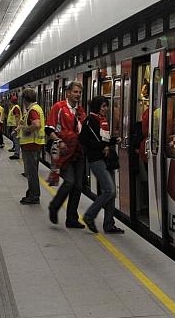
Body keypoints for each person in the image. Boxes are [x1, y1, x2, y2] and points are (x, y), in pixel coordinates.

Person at [79, 96, 124, 234]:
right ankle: (89, 216)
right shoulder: (90, 120)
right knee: (109, 190)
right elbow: (84, 140)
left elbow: (102, 140)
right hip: (96, 160)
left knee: (112, 192)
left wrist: (112, 141)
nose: (106, 109)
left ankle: (109, 224)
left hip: (106, 160)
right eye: (103, 106)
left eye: (106, 106)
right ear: (97, 107)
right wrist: (104, 146)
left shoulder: (102, 120)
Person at [45, 81, 86, 228]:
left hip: (78, 152)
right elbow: (49, 129)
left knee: (78, 186)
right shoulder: (59, 107)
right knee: (69, 181)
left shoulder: (80, 111)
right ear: (68, 93)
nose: (78, 95)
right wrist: (59, 141)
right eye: (75, 92)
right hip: (64, 152)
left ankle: (72, 219)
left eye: (79, 92)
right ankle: (54, 206)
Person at [18, 88, 46, 205]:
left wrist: (26, 130)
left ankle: (34, 196)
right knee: (32, 171)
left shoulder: (33, 110)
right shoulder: (37, 108)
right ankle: (31, 193)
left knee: (31, 173)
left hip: (31, 145)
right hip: (35, 145)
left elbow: (37, 124)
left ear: (25, 99)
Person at [6, 94, 22, 159]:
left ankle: (17, 154)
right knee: (15, 140)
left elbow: (17, 117)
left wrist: (16, 129)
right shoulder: (14, 107)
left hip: (15, 127)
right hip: (14, 126)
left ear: (11, 101)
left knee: (16, 141)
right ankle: (16, 153)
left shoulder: (15, 108)